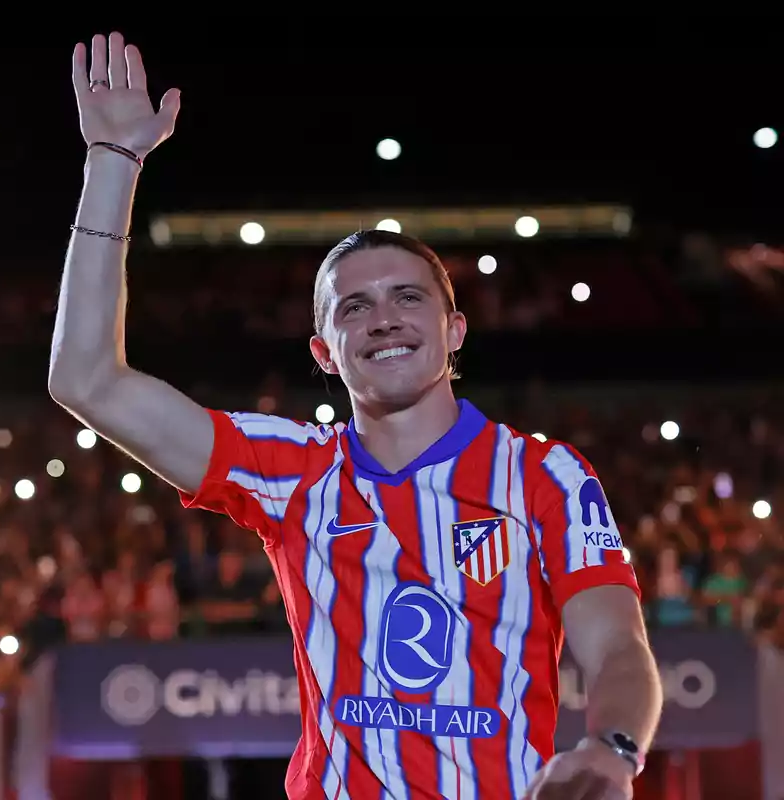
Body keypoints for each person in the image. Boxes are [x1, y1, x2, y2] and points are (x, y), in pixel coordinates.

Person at [48, 32, 663, 800]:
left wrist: (612, 748)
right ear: (325, 351)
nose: (385, 318)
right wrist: (113, 161)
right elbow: (87, 379)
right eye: (355, 307)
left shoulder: (544, 476)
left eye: (409, 297)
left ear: (455, 329)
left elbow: (618, 650)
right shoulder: (291, 471)